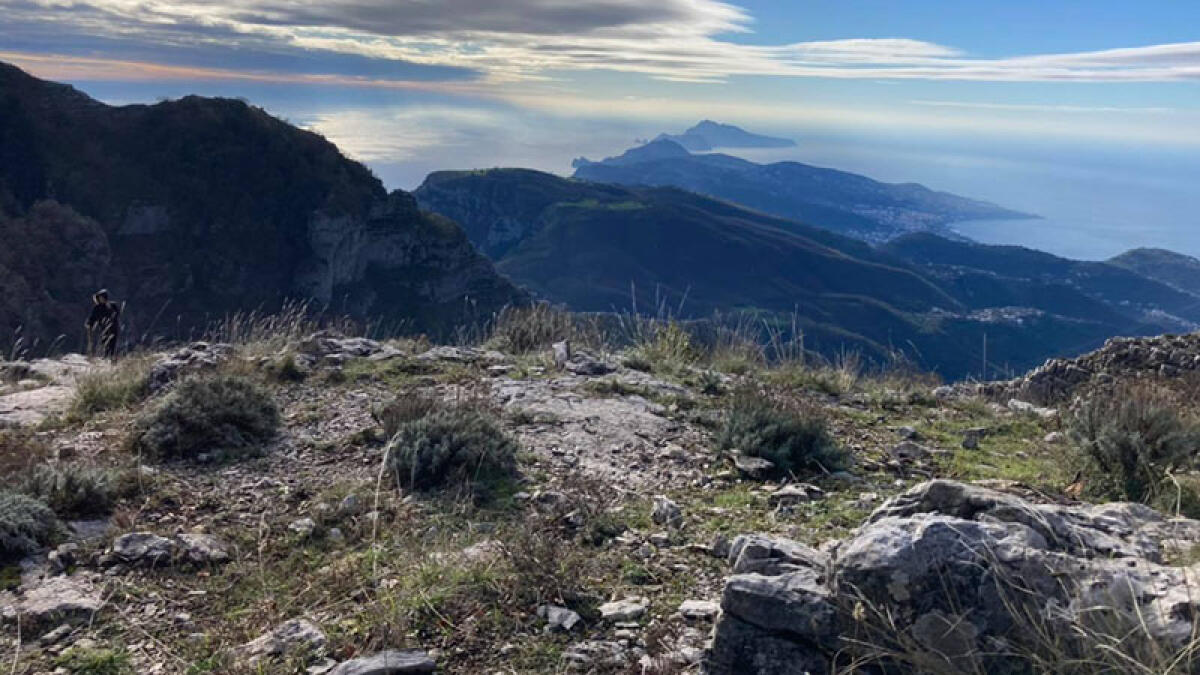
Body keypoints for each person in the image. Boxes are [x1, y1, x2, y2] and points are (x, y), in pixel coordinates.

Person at [85, 289, 121, 359]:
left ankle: (112, 359)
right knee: (105, 344)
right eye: (99, 298)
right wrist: (89, 324)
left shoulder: (112, 305)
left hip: (113, 328)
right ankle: (106, 357)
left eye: (102, 297)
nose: (101, 299)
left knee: (113, 345)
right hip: (104, 329)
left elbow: (117, 314)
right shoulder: (97, 308)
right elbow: (93, 317)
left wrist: (110, 309)